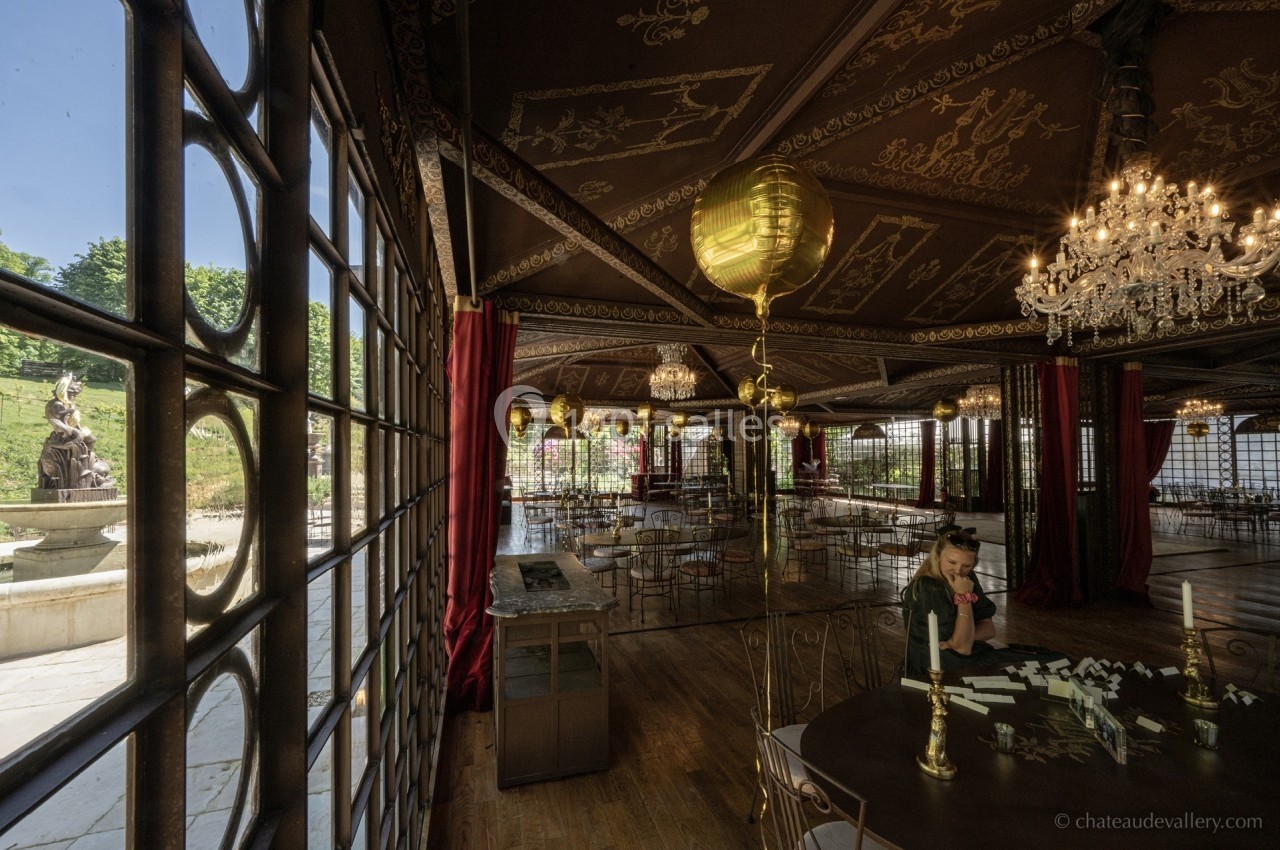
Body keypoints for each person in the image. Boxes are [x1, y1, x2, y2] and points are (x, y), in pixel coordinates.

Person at [901, 525, 1065, 678]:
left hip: (970, 654)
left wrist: (961, 638)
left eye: (967, 565)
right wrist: (964, 598)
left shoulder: (967, 578)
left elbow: (989, 630)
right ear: (937, 557)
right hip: (939, 665)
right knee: (1043, 667)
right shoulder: (927, 586)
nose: (958, 570)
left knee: (1056, 659)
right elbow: (962, 648)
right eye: (951, 562)